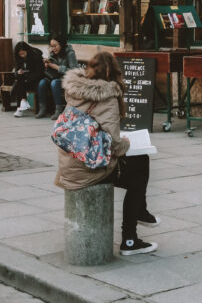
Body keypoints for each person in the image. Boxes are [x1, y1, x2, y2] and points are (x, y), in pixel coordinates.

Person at [57, 52, 158, 256]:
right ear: (112, 72)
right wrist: (126, 144)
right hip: (89, 170)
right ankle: (130, 238)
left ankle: (141, 213)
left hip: (69, 166)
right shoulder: (108, 97)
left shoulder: (75, 91)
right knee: (140, 167)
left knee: (138, 165)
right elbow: (112, 144)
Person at [36, 35, 78, 119]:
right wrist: (46, 64)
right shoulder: (52, 53)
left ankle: (58, 110)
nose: (53, 48)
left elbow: (74, 71)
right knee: (42, 83)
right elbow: (50, 66)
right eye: (51, 46)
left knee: (54, 83)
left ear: (61, 44)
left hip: (66, 79)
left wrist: (57, 67)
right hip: (54, 77)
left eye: (55, 46)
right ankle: (42, 109)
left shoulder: (70, 53)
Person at [10, 41, 44, 117]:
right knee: (20, 81)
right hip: (24, 81)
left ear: (27, 51)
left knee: (20, 83)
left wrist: (26, 77)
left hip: (36, 81)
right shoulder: (19, 59)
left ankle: (20, 108)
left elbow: (39, 73)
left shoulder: (36, 57)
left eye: (24, 53)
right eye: (20, 54)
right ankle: (23, 102)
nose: (22, 56)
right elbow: (16, 71)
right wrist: (18, 73)